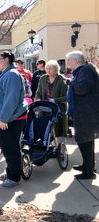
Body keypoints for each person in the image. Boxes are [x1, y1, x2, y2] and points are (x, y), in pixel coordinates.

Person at [0, 51, 27, 188]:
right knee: (6, 147)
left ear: (7, 60)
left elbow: (11, 99)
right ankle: (10, 172)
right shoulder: (4, 74)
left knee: (11, 148)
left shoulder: (11, 75)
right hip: (3, 118)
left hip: (10, 119)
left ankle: (13, 178)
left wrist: (4, 118)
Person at [65, 51, 99, 180]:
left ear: (76, 60)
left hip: (86, 113)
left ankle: (88, 171)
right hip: (83, 112)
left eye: (69, 60)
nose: (67, 63)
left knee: (85, 140)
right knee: (85, 141)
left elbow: (82, 88)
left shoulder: (85, 71)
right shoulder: (83, 70)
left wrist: (69, 83)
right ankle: (87, 166)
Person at [35, 60, 68, 138]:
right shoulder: (43, 78)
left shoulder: (62, 79)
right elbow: (38, 93)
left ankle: (58, 147)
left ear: (56, 69)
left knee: (57, 132)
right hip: (44, 109)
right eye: (47, 69)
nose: (48, 70)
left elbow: (67, 97)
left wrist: (55, 100)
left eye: (50, 69)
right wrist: (38, 99)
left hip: (57, 110)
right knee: (44, 131)